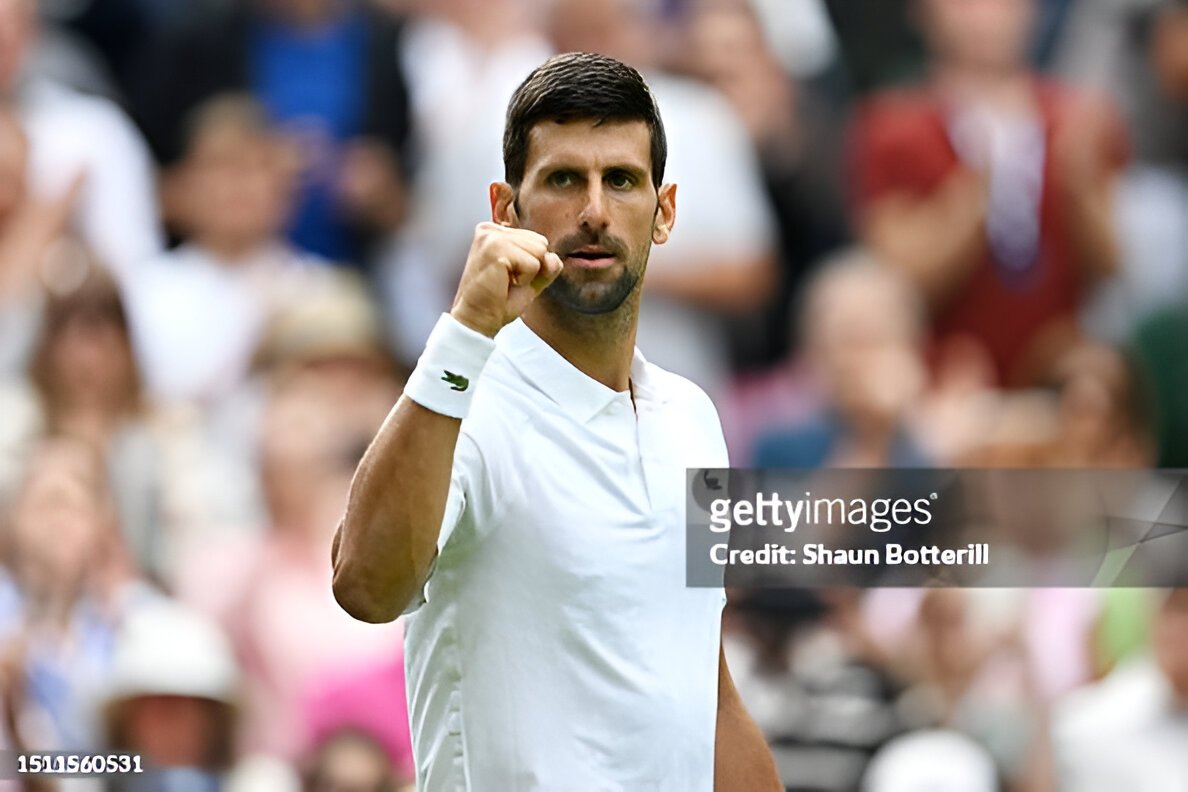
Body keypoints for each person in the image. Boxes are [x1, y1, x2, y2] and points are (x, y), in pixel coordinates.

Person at [331, 53, 780, 790]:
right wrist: (465, 331)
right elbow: (365, 588)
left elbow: (710, 694)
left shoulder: (694, 417)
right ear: (506, 209)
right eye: (564, 179)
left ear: (663, 212)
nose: (595, 210)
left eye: (622, 180)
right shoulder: (462, 399)